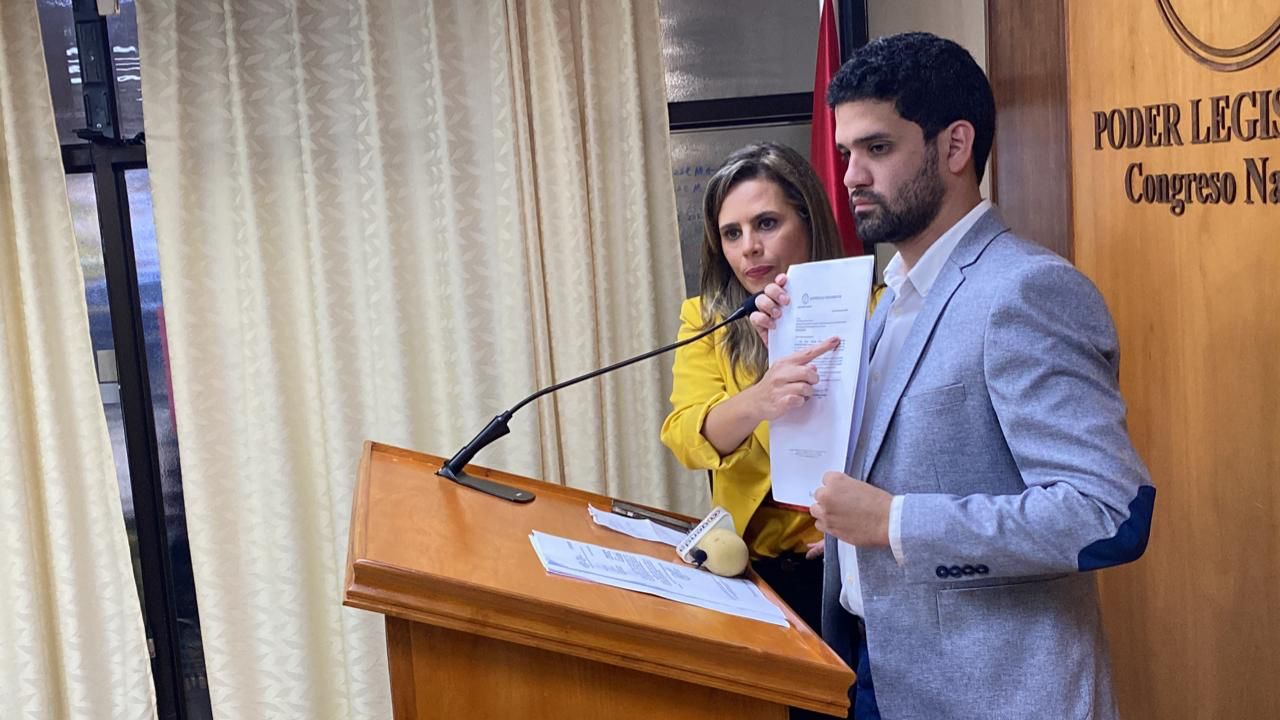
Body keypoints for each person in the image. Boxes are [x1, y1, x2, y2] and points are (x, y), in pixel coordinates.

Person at [751, 33, 1155, 720]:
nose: (849, 176)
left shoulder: (1026, 292)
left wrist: (893, 522)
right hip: (876, 670)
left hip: (991, 694)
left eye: (877, 149)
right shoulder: (886, 299)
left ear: (955, 146)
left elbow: (1108, 512)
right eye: (847, 152)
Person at [660, 142, 846, 653]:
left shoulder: (871, 308)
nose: (749, 248)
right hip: (748, 569)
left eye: (766, 224)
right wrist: (761, 398)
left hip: (847, 568)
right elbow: (684, 436)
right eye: (731, 233)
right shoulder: (708, 319)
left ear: (808, 221)